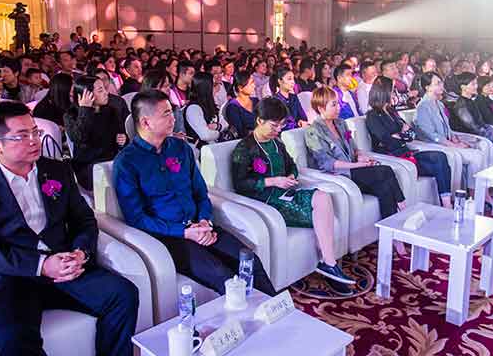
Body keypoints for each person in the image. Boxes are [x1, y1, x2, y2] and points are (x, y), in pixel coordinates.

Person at [0, 101, 138, 356]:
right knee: (8, 339)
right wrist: (41, 265)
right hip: (15, 278)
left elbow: (84, 219)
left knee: (123, 294)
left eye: (35, 132)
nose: (34, 141)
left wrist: (80, 251)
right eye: (22, 136)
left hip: (65, 265)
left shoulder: (57, 169)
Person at [114, 90, 276, 296]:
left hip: (201, 225)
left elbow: (200, 192)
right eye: (166, 114)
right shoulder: (127, 162)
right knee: (223, 276)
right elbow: (137, 218)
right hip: (170, 237)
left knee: (250, 262)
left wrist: (205, 221)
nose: (174, 118)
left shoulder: (181, 148)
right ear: (146, 122)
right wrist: (184, 232)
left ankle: (278, 311)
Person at [231, 97, 354, 292]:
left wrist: (290, 176)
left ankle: (329, 264)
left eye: (281, 125)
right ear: (259, 121)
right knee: (321, 210)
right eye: (274, 125)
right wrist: (273, 181)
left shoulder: (277, 143)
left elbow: (292, 166)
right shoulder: (245, 148)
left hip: (284, 194)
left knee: (323, 197)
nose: (278, 129)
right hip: (265, 202)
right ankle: (330, 265)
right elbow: (240, 184)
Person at [305, 86, 407, 224]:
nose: (338, 108)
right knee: (386, 170)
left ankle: (391, 230)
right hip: (340, 175)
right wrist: (357, 165)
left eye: (338, 103)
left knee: (384, 188)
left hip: (355, 170)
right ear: (321, 108)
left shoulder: (341, 123)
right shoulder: (313, 131)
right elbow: (327, 163)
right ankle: (404, 209)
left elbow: (354, 149)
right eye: (333, 105)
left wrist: (361, 157)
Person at [366, 76, 453, 208]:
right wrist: (402, 134)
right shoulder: (372, 115)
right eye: (392, 90)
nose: (395, 93)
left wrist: (399, 135)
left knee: (440, 157)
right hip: (393, 156)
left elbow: (411, 134)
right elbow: (386, 140)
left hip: (405, 151)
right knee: (437, 166)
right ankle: (445, 204)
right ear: (383, 92)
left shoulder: (392, 111)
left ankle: (446, 203)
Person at [415, 71, 488, 187]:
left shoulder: (439, 104)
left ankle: (481, 190)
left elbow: (447, 127)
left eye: (441, 82)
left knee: (480, 149)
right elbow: (431, 135)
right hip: (435, 146)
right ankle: (474, 193)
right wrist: (454, 145)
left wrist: (454, 138)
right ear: (427, 87)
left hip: (447, 142)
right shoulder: (423, 107)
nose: (441, 86)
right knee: (476, 157)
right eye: (437, 83)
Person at [64, 76, 127, 191]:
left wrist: (123, 139)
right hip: (89, 165)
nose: (106, 93)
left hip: (111, 161)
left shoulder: (110, 111)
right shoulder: (71, 115)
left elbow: (120, 136)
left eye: (104, 89)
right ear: (87, 95)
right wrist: (85, 110)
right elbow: (80, 137)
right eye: (100, 90)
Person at [450, 72, 493, 164]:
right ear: (463, 87)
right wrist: (490, 133)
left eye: (476, 83)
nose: (476, 86)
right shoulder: (461, 105)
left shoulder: (471, 101)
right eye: (473, 84)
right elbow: (473, 127)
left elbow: (481, 122)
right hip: (471, 136)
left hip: (482, 133)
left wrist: (491, 130)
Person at [185, 71, 221, 147]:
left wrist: (218, 126)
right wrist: (220, 134)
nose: (217, 88)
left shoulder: (210, 104)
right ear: (206, 88)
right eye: (214, 85)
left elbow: (225, 124)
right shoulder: (193, 108)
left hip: (215, 146)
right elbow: (205, 135)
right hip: (201, 150)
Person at [225, 70, 258, 137]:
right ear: (240, 88)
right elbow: (240, 131)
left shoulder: (256, 101)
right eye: (251, 83)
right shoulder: (233, 107)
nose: (254, 86)